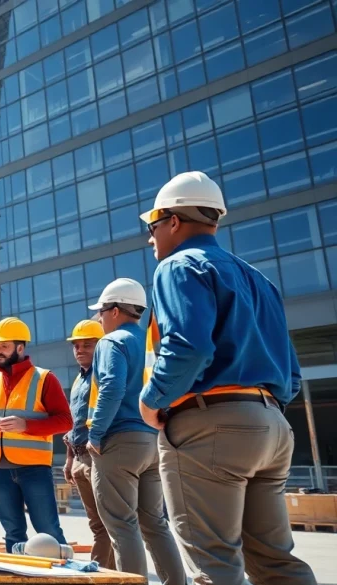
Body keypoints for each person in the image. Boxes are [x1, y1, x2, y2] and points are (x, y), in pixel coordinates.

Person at [139, 171, 317, 585]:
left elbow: (190, 346)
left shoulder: (178, 266)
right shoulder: (260, 280)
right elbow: (290, 371)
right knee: (276, 562)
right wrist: (258, 410)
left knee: (214, 566)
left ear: (174, 221)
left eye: (152, 226)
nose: (150, 238)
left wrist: (151, 401)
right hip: (271, 426)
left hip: (209, 427)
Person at [86, 280, 185, 583]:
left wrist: (95, 434)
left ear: (115, 310)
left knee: (122, 525)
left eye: (101, 312)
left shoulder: (111, 341)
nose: (99, 319)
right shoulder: (151, 342)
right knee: (155, 523)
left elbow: (113, 387)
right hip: (153, 440)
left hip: (119, 441)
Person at [0, 317, 72, 553]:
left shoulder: (45, 378)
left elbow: (65, 421)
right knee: (13, 534)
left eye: (4, 346)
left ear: (20, 347)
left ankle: (68, 576)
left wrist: (25, 425)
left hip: (34, 469)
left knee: (48, 530)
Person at [62, 319, 115, 571]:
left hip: (99, 456)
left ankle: (98, 575)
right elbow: (75, 423)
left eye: (87, 345)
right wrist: (69, 459)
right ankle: (114, 575)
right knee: (98, 525)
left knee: (106, 526)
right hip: (80, 459)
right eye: (76, 345)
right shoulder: (78, 381)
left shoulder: (104, 373)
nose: (80, 349)